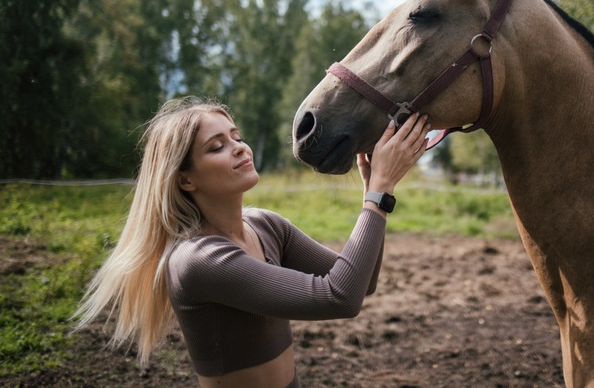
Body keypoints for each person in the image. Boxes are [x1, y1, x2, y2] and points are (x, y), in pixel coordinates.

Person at [74, 96, 430, 388]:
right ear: (185, 180)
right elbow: (339, 297)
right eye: (217, 147)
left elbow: (362, 283)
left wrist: (375, 190)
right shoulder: (197, 260)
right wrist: (379, 195)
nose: (240, 148)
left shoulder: (265, 225)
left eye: (236, 136)